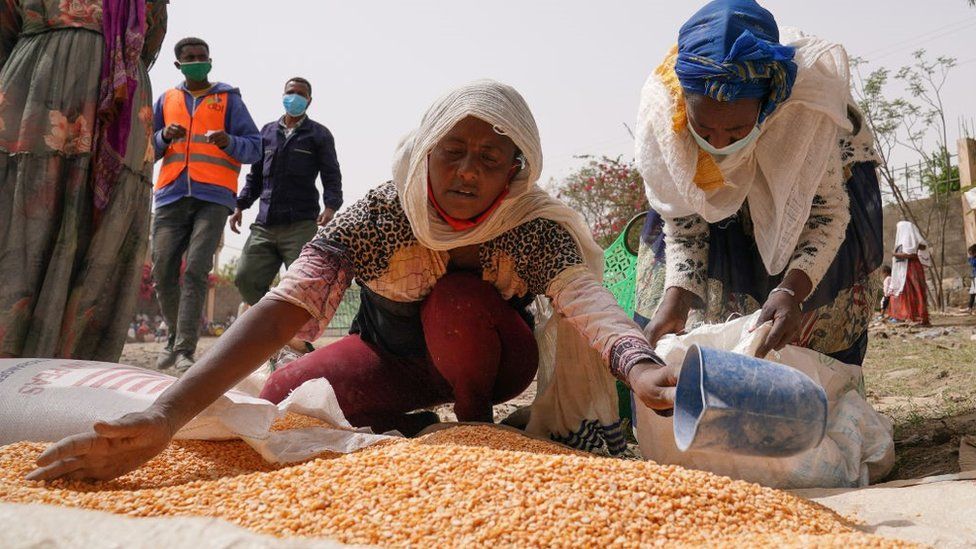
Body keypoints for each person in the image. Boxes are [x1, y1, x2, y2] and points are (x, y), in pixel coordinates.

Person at [28, 81, 679, 482]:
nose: (466, 173)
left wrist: (642, 366)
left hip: (491, 358)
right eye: (452, 152)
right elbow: (291, 302)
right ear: (425, 152)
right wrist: (167, 415)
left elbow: (587, 302)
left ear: (516, 169)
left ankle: (480, 432)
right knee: (286, 394)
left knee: (456, 300)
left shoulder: (532, 226)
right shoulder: (382, 214)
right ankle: (416, 423)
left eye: (489, 159)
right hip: (393, 358)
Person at [633, 0, 883, 365]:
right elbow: (685, 224)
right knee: (703, 334)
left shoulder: (803, 116)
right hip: (720, 214)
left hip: (809, 196)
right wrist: (677, 298)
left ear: (767, 106)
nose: (718, 144)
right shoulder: (664, 121)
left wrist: (791, 291)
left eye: (736, 130)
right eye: (704, 129)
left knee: (804, 330)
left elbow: (825, 217)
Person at [0, 0, 167, 360]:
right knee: (22, 210)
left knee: (104, 228)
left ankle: (75, 365)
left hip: (119, 113)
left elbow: (149, 36)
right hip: (35, 95)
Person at [151, 37, 261, 372]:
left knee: (197, 270)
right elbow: (147, 150)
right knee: (162, 271)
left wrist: (230, 141)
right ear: (178, 65)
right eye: (190, 57)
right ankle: (174, 337)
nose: (198, 61)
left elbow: (255, 148)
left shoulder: (228, 99)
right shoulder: (166, 99)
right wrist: (163, 138)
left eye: (203, 57)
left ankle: (184, 349)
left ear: (210, 61)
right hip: (170, 195)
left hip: (213, 196)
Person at [230, 77, 342, 354]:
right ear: (283, 95)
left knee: (302, 285)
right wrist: (241, 205)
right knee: (245, 277)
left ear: (309, 101)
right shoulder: (266, 133)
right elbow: (254, 176)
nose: (294, 98)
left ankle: (294, 342)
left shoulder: (319, 135)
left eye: (300, 94)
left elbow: (331, 174)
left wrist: (331, 206)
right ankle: (272, 329)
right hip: (265, 223)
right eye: (290, 93)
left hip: (302, 223)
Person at [888, 220, 931, 325]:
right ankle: (909, 315)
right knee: (908, 291)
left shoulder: (911, 240)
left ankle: (916, 316)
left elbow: (911, 254)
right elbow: (921, 247)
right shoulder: (907, 240)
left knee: (913, 291)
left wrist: (896, 254)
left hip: (910, 268)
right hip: (907, 268)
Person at [967, 245, 976, 314]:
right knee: (972, 293)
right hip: (974, 277)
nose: (970, 255)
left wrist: (970, 259)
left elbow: (972, 264)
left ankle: (970, 307)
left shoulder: (974, 260)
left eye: (971, 254)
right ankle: (969, 307)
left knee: (973, 293)